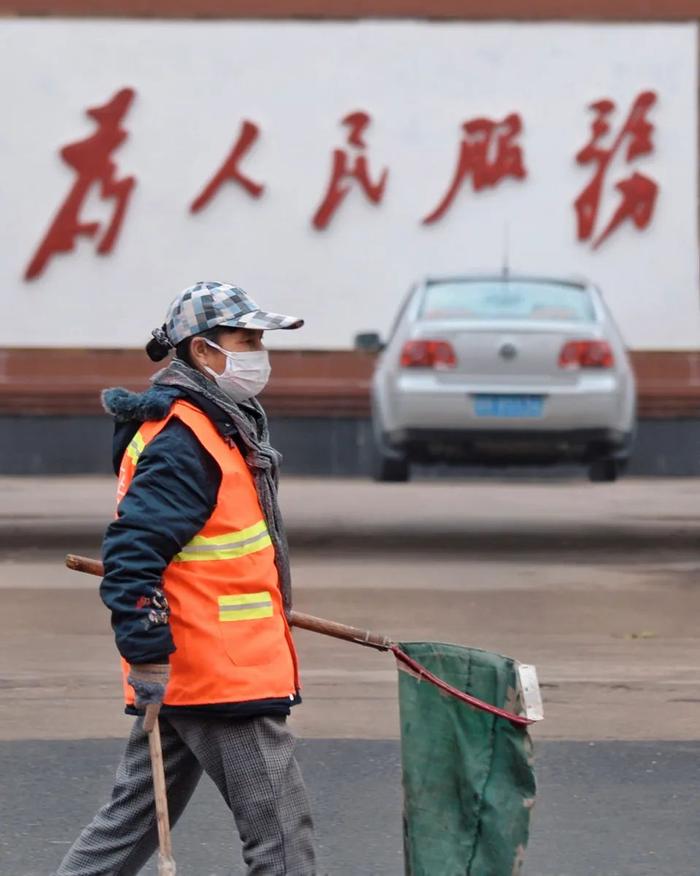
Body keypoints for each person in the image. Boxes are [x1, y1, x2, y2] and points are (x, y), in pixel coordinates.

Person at [55, 281, 316, 876]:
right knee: (280, 834)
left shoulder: (213, 424)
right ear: (202, 352)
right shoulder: (187, 440)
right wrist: (146, 651)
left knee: (126, 830)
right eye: (244, 339)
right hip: (221, 676)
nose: (258, 353)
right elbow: (131, 553)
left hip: (203, 664)